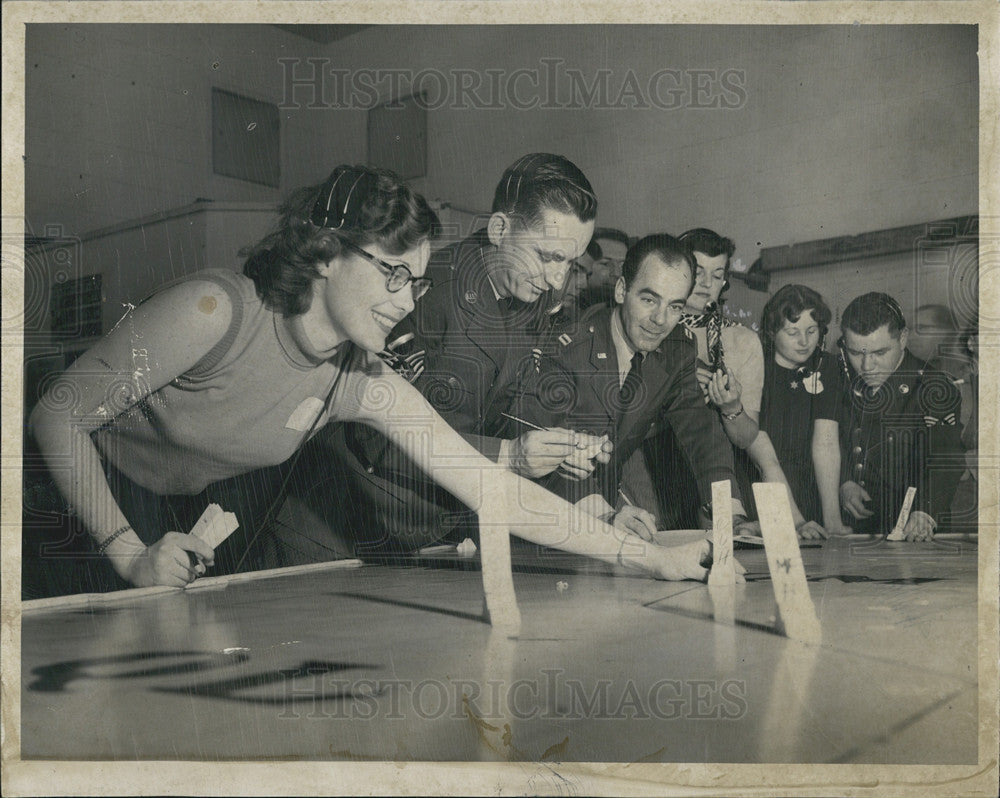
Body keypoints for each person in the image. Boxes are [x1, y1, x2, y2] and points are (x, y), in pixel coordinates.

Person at [28, 164, 711, 592]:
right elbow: (57, 416)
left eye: (415, 280)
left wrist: (645, 559)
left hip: (177, 513)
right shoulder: (215, 309)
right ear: (326, 252)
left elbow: (493, 486)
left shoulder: (360, 379)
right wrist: (124, 551)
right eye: (391, 274)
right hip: (66, 498)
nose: (407, 299)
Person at [316, 153, 613, 551]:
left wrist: (571, 470)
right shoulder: (421, 293)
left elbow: (520, 417)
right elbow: (379, 440)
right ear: (500, 229)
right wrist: (510, 455)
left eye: (571, 263)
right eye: (548, 256)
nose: (559, 278)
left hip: (440, 530)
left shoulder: (537, 299)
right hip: (354, 523)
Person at [514, 233, 746, 541]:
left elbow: (703, 433)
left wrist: (729, 513)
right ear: (622, 290)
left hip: (610, 516)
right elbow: (552, 451)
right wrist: (603, 517)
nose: (660, 320)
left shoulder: (677, 351)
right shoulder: (568, 348)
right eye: (649, 300)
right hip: (542, 517)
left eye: (675, 307)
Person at [837, 292, 965, 539]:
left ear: (903, 339)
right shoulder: (842, 380)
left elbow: (945, 458)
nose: (866, 366)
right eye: (855, 353)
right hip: (856, 534)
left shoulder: (935, 387)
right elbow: (833, 440)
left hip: (915, 533)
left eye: (879, 352)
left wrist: (925, 512)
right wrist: (845, 482)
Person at [758, 284, 849, 535]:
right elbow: (762, 457)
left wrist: (832, 521)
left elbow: (827, 443)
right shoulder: (756, 365)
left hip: (810, 489)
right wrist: (793, 520)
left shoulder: (827, 366)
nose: (804, 342)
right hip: (763, 486)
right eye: (792, 332)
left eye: (812, 331)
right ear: (771, 331)